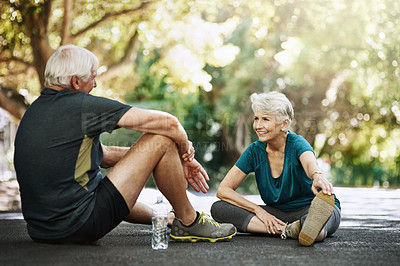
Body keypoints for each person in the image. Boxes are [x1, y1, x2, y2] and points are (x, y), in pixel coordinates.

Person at [13, 44, 236, 244]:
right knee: (162, 139)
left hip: (42, 231)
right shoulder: (82, 106)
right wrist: (185, 153)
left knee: (112, 173)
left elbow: (106, 154)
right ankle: (189, 221)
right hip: (80, 225)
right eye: (93, 77)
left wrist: (162, 159)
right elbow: (170, 123)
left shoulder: (35, 111)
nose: (96, 84)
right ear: (75, 81)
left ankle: (167, 219)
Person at [210, 91, 341, 246]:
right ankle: (289, 230)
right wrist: (259, 211)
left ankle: (308, 228)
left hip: (310, 208)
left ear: (284, 124)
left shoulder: (297, 143)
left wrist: (317, 175)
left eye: (265, 119)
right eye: (256, 119)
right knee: (219, 208)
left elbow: (309, 162)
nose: (258, 126)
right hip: (278, 213)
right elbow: (223, 190)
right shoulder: (254, 151)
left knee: (315, 227)